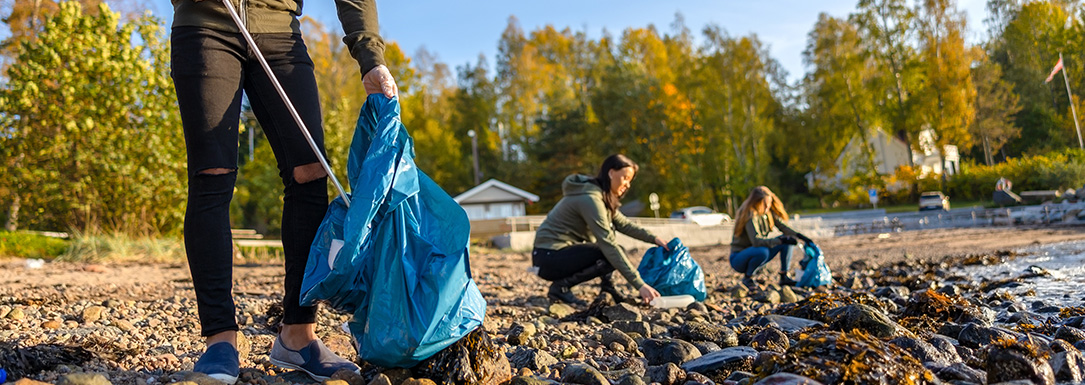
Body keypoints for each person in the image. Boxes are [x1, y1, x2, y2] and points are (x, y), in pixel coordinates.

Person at [170, 0, 397, 382]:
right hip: (204, 24)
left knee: (310, 171)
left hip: (279, 31)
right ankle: (220, 340)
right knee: (213, 173)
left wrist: (370, 55)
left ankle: (297, 334)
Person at [532, 154, 669, 306]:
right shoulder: (590, 200)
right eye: (625, 178)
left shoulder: (601, 197)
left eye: (630, 180)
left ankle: (607, 287)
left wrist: (655, 239)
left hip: (554, 255)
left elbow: (624, 224)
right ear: (611, 173)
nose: (628, 185)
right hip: (548, 258)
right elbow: (607, 243)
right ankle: (560, 287)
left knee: (613, 251)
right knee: (610, 251)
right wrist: (640, 285)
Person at [729, 186, 812, 289]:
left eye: (769, 205)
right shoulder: (750, 215)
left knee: (787, 241)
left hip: (755, 252)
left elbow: (783, 227)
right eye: (765, 205)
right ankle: (748, 277)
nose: (768, 208)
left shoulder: (766, 213)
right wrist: (779, 241)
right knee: (762, 251)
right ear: (757, 202)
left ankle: (784, 276)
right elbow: (756, 241)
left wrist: (800, 236)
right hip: (739, 259)